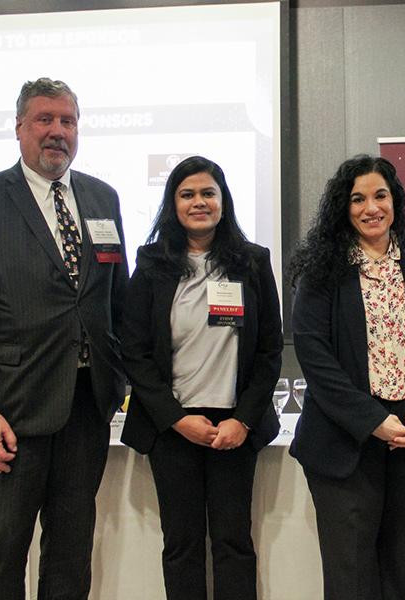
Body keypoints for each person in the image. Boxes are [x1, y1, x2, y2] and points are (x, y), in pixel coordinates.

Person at [0, 78, 128, 599]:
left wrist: (120, 385)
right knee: (0, 562)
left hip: (85, 411)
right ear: (19, 127)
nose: (57, 131)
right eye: (44, 119)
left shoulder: (102, 197)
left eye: (67, 121)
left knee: (70, 559)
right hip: (10, 414)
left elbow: (116, 298)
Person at [288, 154, 405, 600]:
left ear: (396, 201)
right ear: (342, 209)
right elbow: (315, 356)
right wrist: (372, 421)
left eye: (380, 195)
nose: (371, 207)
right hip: (345, 444)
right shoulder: (321, 272)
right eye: (358, 198)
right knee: (351, 580)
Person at [120, 155, 282, 600]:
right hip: (173, 426)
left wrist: (243, 420)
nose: (199, 202)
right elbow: (133, 350)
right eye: (187, 194)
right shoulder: (151, 263)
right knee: (182, 544)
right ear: (173, 204)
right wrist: (175, 418)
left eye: (208, 193)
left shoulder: (252, 262)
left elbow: (270, 350)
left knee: (234, 542)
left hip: (233, 425)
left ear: (223, 202)